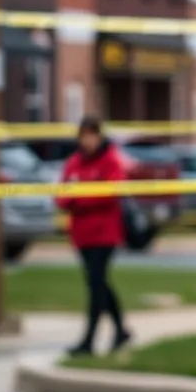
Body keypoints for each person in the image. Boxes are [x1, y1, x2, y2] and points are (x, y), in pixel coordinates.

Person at [57, 115, 132, 356]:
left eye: (92, 135)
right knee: (97, 283)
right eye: (84, 135)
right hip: (82, 234)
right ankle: (121, 330)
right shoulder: (74, 162)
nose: (87, 140)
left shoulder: (111, 160)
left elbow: (110, 193)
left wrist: (80, 197)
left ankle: (89, 340)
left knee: (96, 283)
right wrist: (77, 198)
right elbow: (61, 196)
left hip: (105, 233)